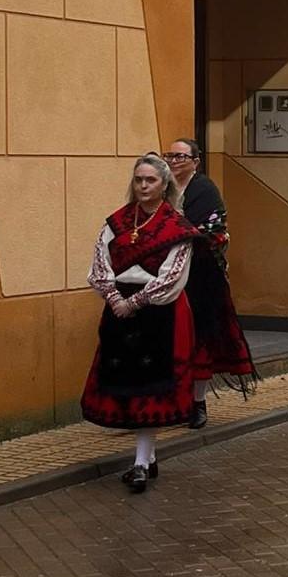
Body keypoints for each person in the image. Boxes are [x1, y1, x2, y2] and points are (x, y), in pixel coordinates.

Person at [82, 154, 199, 493]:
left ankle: (139, 463)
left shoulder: (178, 227)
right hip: (119, 310)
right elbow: (100, 263)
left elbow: (174, 275)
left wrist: (135, 301)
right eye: (138, 180)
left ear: (165, 185)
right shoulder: (115, 222)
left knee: (152, 387)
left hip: (159, 312)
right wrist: (114, 298)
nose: (143, 186)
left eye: (150, 180)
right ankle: (146, 457)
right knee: (128, 383)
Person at [163, 139, 256, 429]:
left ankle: (198, 403)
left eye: (181, 156)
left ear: (195, 160)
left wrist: (174, 232)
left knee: (199, 337)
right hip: (163, 276)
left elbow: (212, 232)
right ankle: (165, 403)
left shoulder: (204, 189)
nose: (175, 161)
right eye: (170, 156)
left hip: (200, 276)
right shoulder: (160, 186)